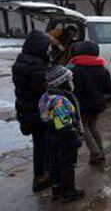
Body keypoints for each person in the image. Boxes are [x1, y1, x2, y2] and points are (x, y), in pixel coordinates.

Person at [12, 30, 50, 193]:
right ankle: (43, 176)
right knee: (44, 144)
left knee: (38, 143)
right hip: (37, 111)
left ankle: (40, 175)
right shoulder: (36, 65)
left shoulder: (22, 60)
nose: (48, 49)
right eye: (46, 46)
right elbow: (41, 90)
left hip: (26, 108)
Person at [39, 65, 84, 203]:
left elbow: (44, 117)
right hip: (63, 138)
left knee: (54, 163)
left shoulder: (46, 96)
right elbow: (63, 124)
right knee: (66, 165)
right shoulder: (60, 100)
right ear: (63, 82)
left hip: (50, 136)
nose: (72, 82)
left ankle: (56, 189)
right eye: (70, 79)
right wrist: (75, 138)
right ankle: (69, 192)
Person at [68, 41, 111, 165]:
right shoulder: (103, 69)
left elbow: (74, 91)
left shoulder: (75, 70)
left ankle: (95, 152)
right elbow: (109, 88)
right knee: (93, 125)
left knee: (84, 127)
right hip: (98, 104)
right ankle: (100, 152)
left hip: (82, 105)